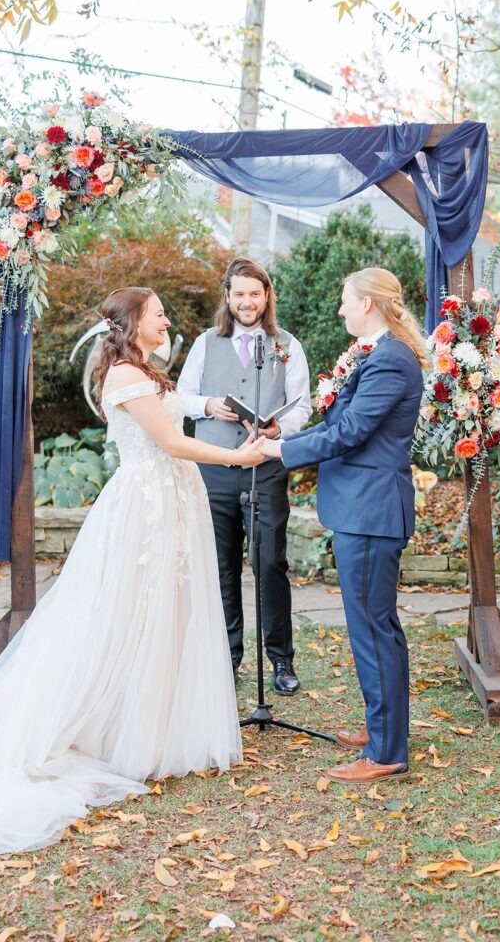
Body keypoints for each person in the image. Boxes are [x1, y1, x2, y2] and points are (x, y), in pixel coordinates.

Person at [0, 287, 264, 869]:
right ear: (134, 324)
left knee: (169, 613)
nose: (167, 318)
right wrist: (240, 459)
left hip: (171, 500)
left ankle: (157, 724)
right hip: (144, 510)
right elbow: (167, 442)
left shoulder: (143, 369)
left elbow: (172, 412)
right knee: (130, 613)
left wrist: (208, 407)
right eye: (158, 313)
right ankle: (115, 728)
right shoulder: (122, 375)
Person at [259, 268, 426, 782]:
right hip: (361, 508)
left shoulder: (391, 359)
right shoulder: (377, 354)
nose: (339, 309)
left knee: (373, 629)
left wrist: (279, 451)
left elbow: (351, 432)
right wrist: (282, 435)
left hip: (371, 512)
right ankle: (383, 732)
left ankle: (386, 754)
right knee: (375, 628)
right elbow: (336, 425)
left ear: (368, 305)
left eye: (345, 300)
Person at [177, 258, 312, 694]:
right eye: (239, 294)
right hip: (214, 469)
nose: (246, 301)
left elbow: (303, 406)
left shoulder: (287, 345)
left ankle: (281, 661)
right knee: (221, 566)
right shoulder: (205, 343)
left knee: (271, 563)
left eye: (254, 293)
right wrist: (207, 405)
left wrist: (279, 429)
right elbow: (180, 397)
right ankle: (227, 657)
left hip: (266, 469)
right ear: (228, 297)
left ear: (266, 296)